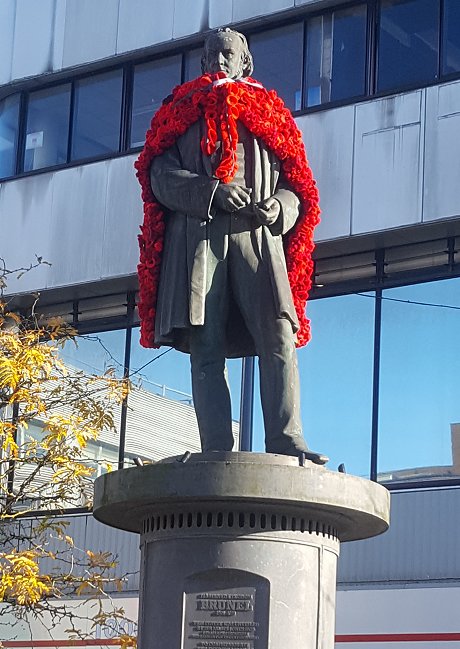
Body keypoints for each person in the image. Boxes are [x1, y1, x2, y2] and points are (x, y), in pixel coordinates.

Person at [136, 28, 327, 464]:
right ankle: (216, 451)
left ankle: (286, 439)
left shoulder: (271, 114)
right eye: (213, 55)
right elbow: (158, 176)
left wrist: (280, 208)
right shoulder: (181, 112)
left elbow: (297, 187)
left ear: (246, 62)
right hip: (200, 241)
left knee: (278, 333)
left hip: (259, 239)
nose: (220, 61)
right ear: (204, 63)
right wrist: (211, 191)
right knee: (206, 344)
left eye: (229, 54)